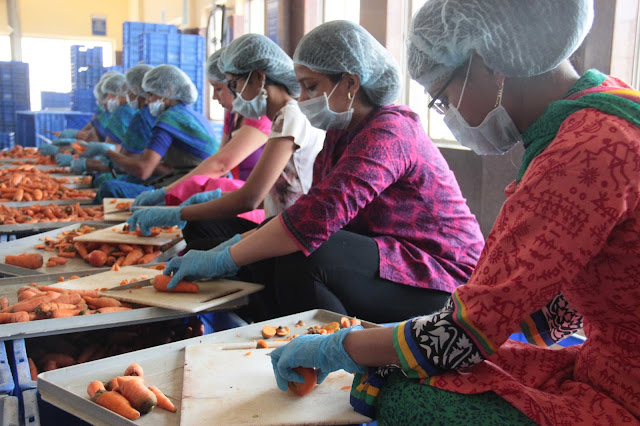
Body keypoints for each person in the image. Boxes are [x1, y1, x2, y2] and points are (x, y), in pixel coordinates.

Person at [268, 1, 640, 425]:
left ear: (486, 61)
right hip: (601, 354)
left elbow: (463, 334)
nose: (449, 116)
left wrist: (342, 346)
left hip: (622, 389)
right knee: (426, 358)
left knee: (399, 388)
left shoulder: (580, 154)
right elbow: (555, 304)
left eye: (443, 99)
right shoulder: (605, 111)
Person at [159, 21, 484, 323]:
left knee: (304, 259)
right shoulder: (339, 135)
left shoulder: (391, 131)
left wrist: (225, 256)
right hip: (389, 259)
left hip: (438, 273)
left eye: (310, 87)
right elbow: (306, 211)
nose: (302, 99)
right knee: (272, 251)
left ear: (351, 82)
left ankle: (335, 358)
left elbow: (317, 218)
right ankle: (270, 340)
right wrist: (225, 250)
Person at [127, 33, 325, 251]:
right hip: (276, 223)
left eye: (233, 84)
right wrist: (210, 200)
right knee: (199, 228)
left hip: (289, 235)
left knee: (201, 241)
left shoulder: (289, 117)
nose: (233, 93)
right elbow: (266, 195)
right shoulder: (281, 117)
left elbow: (249, 199)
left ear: (259, 78)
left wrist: (177, 212)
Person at [130, 48, 271, 211]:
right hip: (236, 195)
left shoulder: (260, 118)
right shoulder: (232, 115)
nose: (213, 97)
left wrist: (166, 193)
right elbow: (221, 165)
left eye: (218, 89)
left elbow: (221, 165)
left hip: (256, 204)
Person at [94, 64, 219, 200]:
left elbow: (143, 170)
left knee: (109, 187)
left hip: (192, 188)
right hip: (197, 182)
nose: (147, 100)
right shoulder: (190, 114)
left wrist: (107, 152)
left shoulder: (168, 118)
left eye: (151, 94)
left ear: (169, 92)